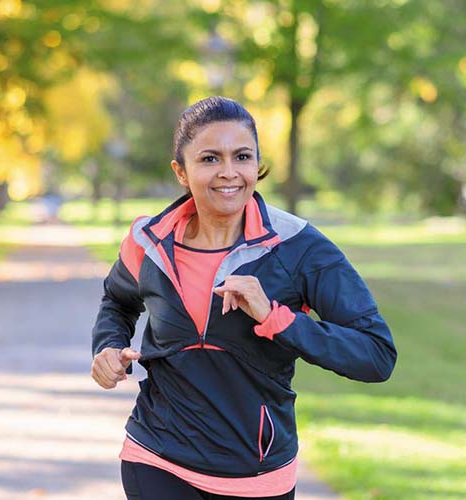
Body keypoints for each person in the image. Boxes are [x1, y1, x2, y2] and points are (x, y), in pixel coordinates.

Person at [91, 96, 396, 500]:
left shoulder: (298, 247)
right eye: (210, 159)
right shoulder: (149, 242)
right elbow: (117, 300)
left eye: (242, 156)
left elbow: (375, 355)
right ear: (181, 172)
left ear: (257, 164)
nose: (229, 173)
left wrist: (277, 317)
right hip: (156, 455)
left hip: (256, 474)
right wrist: (109, 347)